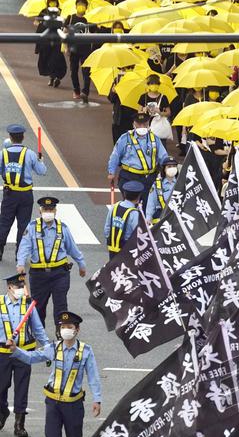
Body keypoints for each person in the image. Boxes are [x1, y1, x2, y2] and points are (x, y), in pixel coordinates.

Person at [6, 311, 101, 437]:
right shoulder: (53, 348)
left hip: (73, 403)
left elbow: (94, 376)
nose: (65, 330)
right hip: (53, 403)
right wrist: (15, 351)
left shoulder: (86, 351)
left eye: (69, 327)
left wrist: (97, 399)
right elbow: (32, 357)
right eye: (63, 327)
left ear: (77, 330)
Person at [17, 196, 86, 327]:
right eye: (45, 209)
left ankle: (61, 332)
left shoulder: (63, 228)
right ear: (40, 211)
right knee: (39, 307)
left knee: (61, 306)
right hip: (38, 275)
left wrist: (81, 264)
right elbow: (24, 246)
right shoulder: (32, 227)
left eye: (51, 209)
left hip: (60, 274)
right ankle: (39, 331)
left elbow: (73, 248)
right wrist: (20, 263)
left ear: (55, 211)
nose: (48, 211)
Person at [0, 272, 48, 437]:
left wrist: (48, 348)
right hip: (2, 353)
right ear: (9, 287)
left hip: (24, 353)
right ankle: (2, 411)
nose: (21, 289)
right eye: (18, 287)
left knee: (22, 388)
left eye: (22, 286)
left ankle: (19, 423)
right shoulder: (0, 304)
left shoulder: (28, 306)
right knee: (1, 386)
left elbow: (38, 329)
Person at [0, 124, 47, 261]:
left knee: (4, 222)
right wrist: (40, 161)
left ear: (10, 137)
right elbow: (42, 171)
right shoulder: (30, 154)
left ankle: (0, 249)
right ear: (23, 137)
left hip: (9, 194)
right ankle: (19, 253)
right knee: (23, 224)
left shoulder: (3, 154)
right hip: (25, 195)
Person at [107, 111, 169, 201]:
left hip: (150, 177)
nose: (142, 127)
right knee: (131, 205)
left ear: (149, 125)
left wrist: (169, 168)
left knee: (148, 206)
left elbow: (163, 157)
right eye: (139, 124)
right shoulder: (125, 138)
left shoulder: (155, 139)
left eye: (145, 124)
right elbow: (115, 156)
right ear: (133, 124)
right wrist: (111, 172)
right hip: (130, 177)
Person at [103, 179, 144, 258]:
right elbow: (138, 234)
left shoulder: (115, 206)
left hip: (112, 248)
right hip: (127, 250)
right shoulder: (134, 213)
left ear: (124, 194)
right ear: (138, 197)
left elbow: (107, 228)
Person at [63, 0, 93, 102]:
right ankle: (76, 90)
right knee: (73, 71)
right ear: (76, 6)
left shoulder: (89, 19)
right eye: (79, 4)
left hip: (86, 49)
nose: (81, 6)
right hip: (73, 49)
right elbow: (65, 33)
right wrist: (66, 47)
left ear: (86, 7)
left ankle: (85, 92)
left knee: (86, 72)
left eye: (83, 5)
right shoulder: (70, 18)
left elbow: (95, 33)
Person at [146, 159, 177, 225]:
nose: (172, 168)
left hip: (177, 214)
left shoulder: (181, 182)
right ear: (164, 169)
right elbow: (151, 202)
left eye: (174, 166)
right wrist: (149, 217)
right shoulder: (157, 184)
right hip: (161, 214)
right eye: (169, 166)